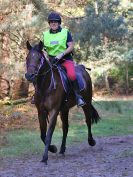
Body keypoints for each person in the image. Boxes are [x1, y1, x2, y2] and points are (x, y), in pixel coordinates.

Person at [41, 12, 85, 107]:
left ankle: (78, 96)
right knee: (39, 73)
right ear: (49, 23)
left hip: (65, 59)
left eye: (55, 22)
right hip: (51, 61)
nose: (53, 23)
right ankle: (37, 96)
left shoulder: (65, 32)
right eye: (51, 22)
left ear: (59, 23)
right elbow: (43, 48)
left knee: (72, 75)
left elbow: (71, 46)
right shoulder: (45, 34)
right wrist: (45, 56)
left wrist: (62, 54)